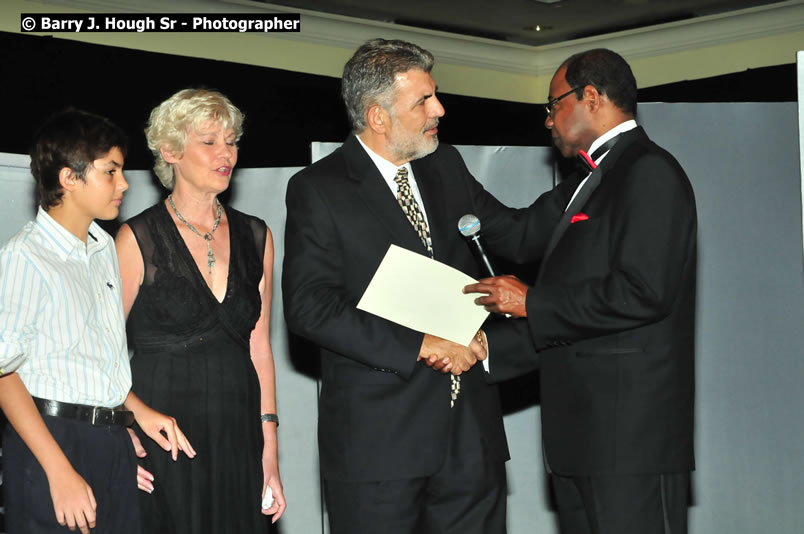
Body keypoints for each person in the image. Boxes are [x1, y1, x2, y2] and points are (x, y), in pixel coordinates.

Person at [282, 38, 541, 534]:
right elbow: (310, 306)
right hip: (380, 447)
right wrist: (421, 344)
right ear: (378, 117)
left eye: (435, 95)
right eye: (423, 100)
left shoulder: (446, 166)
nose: (439, 109)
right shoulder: (320, 188)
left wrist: (594, 197)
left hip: (470, 439)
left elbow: (519, 233)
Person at [464, 48, 697, 534]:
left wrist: (531, 302)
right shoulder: (589, 179)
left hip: (630, 440)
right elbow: (518, 232)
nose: (548, 121)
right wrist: (435, 169)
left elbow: (644, 291)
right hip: (581, 441)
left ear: (590, 96)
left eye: (553, 105)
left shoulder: (649, 171)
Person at [0, 109, 193, 534]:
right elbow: (2, 373)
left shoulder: (104, 246)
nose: (124, 184)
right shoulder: (25, 257)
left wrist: (136, 412)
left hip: (109, 439)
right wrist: (58, 470)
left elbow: (93, 359)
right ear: (69, 179)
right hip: (51, 441)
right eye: (111, 171)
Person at [114, 89, 286, 533]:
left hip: (238, 435)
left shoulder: (257, 236)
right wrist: (120, 431)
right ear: (170, 151)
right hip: (162, 433)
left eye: (231, 141)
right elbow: (100, 349)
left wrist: (270, 452)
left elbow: (261, 349)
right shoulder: (136, 239)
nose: (225, 152)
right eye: (209, 141)